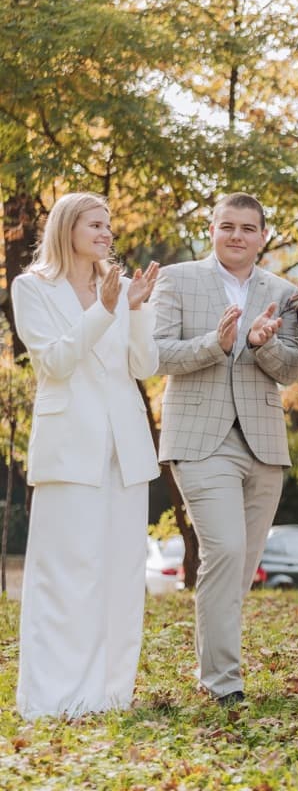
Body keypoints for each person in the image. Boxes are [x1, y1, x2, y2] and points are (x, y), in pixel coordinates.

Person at [152, 192, 298, 705]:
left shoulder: (283, 292)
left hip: (263, 441)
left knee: (240, 567)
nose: (237, 235)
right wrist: (214, 345)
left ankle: (211, 666)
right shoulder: (176, 279)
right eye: (227, 226)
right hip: (199, 439)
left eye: (247, 228)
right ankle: (224, 684)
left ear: (263, 236)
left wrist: (263, 345)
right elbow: (157, 354)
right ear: (212, 230)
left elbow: (292, 369)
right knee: (225, 551)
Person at [13, 192, 160, 719]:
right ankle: (52, 697)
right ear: (67, 227)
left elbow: (143, 366)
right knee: (66, 573)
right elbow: (55, 362)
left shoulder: (116, 287)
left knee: (121, 573)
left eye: (108, 225)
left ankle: (109, 694)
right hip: (68, 447)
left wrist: (135, 308)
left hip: (125, 448)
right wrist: (104, 310)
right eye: (95, 224)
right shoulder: (31, 287)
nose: (106, 233)